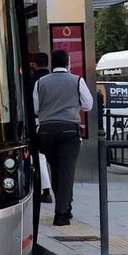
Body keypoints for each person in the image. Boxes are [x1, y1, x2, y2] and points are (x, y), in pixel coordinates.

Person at [33, 49, 95, 227]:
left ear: (52, 62)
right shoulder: (77, 81)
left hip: (46, 131)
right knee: (67, 171)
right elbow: (88, 105)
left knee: (56, 169)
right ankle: (61, 213)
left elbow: (36, 108)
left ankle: (65, 205)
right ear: (68, 62)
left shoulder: (40, 82)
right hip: (69, 130)